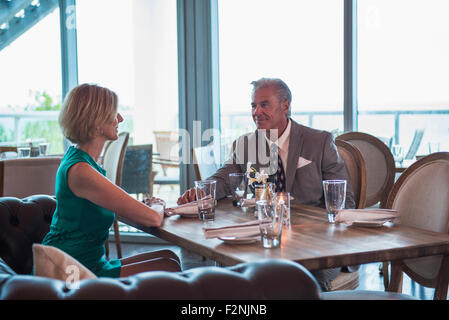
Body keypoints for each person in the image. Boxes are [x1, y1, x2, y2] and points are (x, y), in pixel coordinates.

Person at [178, 77, 356, 291]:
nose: (256, 112)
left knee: (292, 283)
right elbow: (225, 178)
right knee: (230, 277)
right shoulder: (247, 143)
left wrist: (321, 230)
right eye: (253, 105)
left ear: (286, 106)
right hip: (264, 238)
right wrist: (201, 192)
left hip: (316, 244)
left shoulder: (319, 141)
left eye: (264, 105)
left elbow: (344, 199)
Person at [42, 83, 181, 278]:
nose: (121, 119)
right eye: (115, 113)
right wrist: (157, 205)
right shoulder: (81, 170)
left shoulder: (84, 162)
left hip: (85, 261)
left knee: (170, 258)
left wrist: (143, 207)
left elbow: (112, 208)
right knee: (168, 267)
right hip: (68, 269)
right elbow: (153, 218)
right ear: (97, 121)